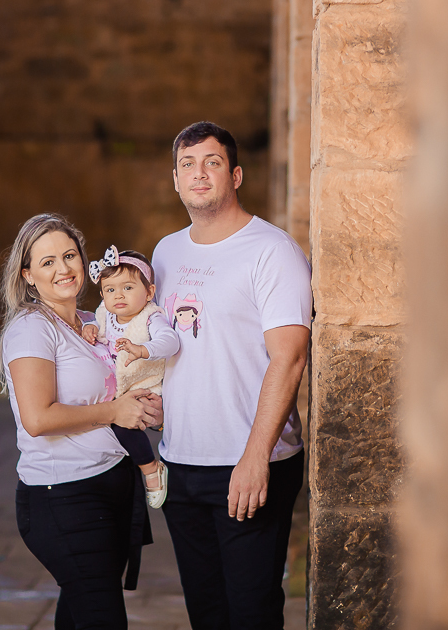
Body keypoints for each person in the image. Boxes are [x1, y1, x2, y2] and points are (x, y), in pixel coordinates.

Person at [152, 122, 313, 630]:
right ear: (175, 180)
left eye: (212, 162)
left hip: (248, 463)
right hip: (181, 463)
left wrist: (255, 456)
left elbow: (290, 358)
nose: (198, 173)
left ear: (236, 174)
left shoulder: (272, 251)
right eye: (187, 165)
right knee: (207, 614)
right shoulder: (164, 253)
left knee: (252, 614)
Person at [0, 213, 163, 630]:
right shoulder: (32, 328)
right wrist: (114, 410)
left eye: (69, 255)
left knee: (79, 614)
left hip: (111, 485)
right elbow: (37, 418)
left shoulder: (94, 323)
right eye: (48, 261)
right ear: (28, 275)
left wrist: (144, 407)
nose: (63, 268)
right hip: (63, 498)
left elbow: (120, 390)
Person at [82, 245, 180, 508]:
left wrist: (143, 349)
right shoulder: (105, 314)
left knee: (124, 427)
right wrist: (90, 326)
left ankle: (151, 468)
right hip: (117, 389)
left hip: (144, 386)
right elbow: (96, 323)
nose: (118, 296)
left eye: (128, 287)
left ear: (149, 292)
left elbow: (171, 341)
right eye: (110, 290)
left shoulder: (150, 317)